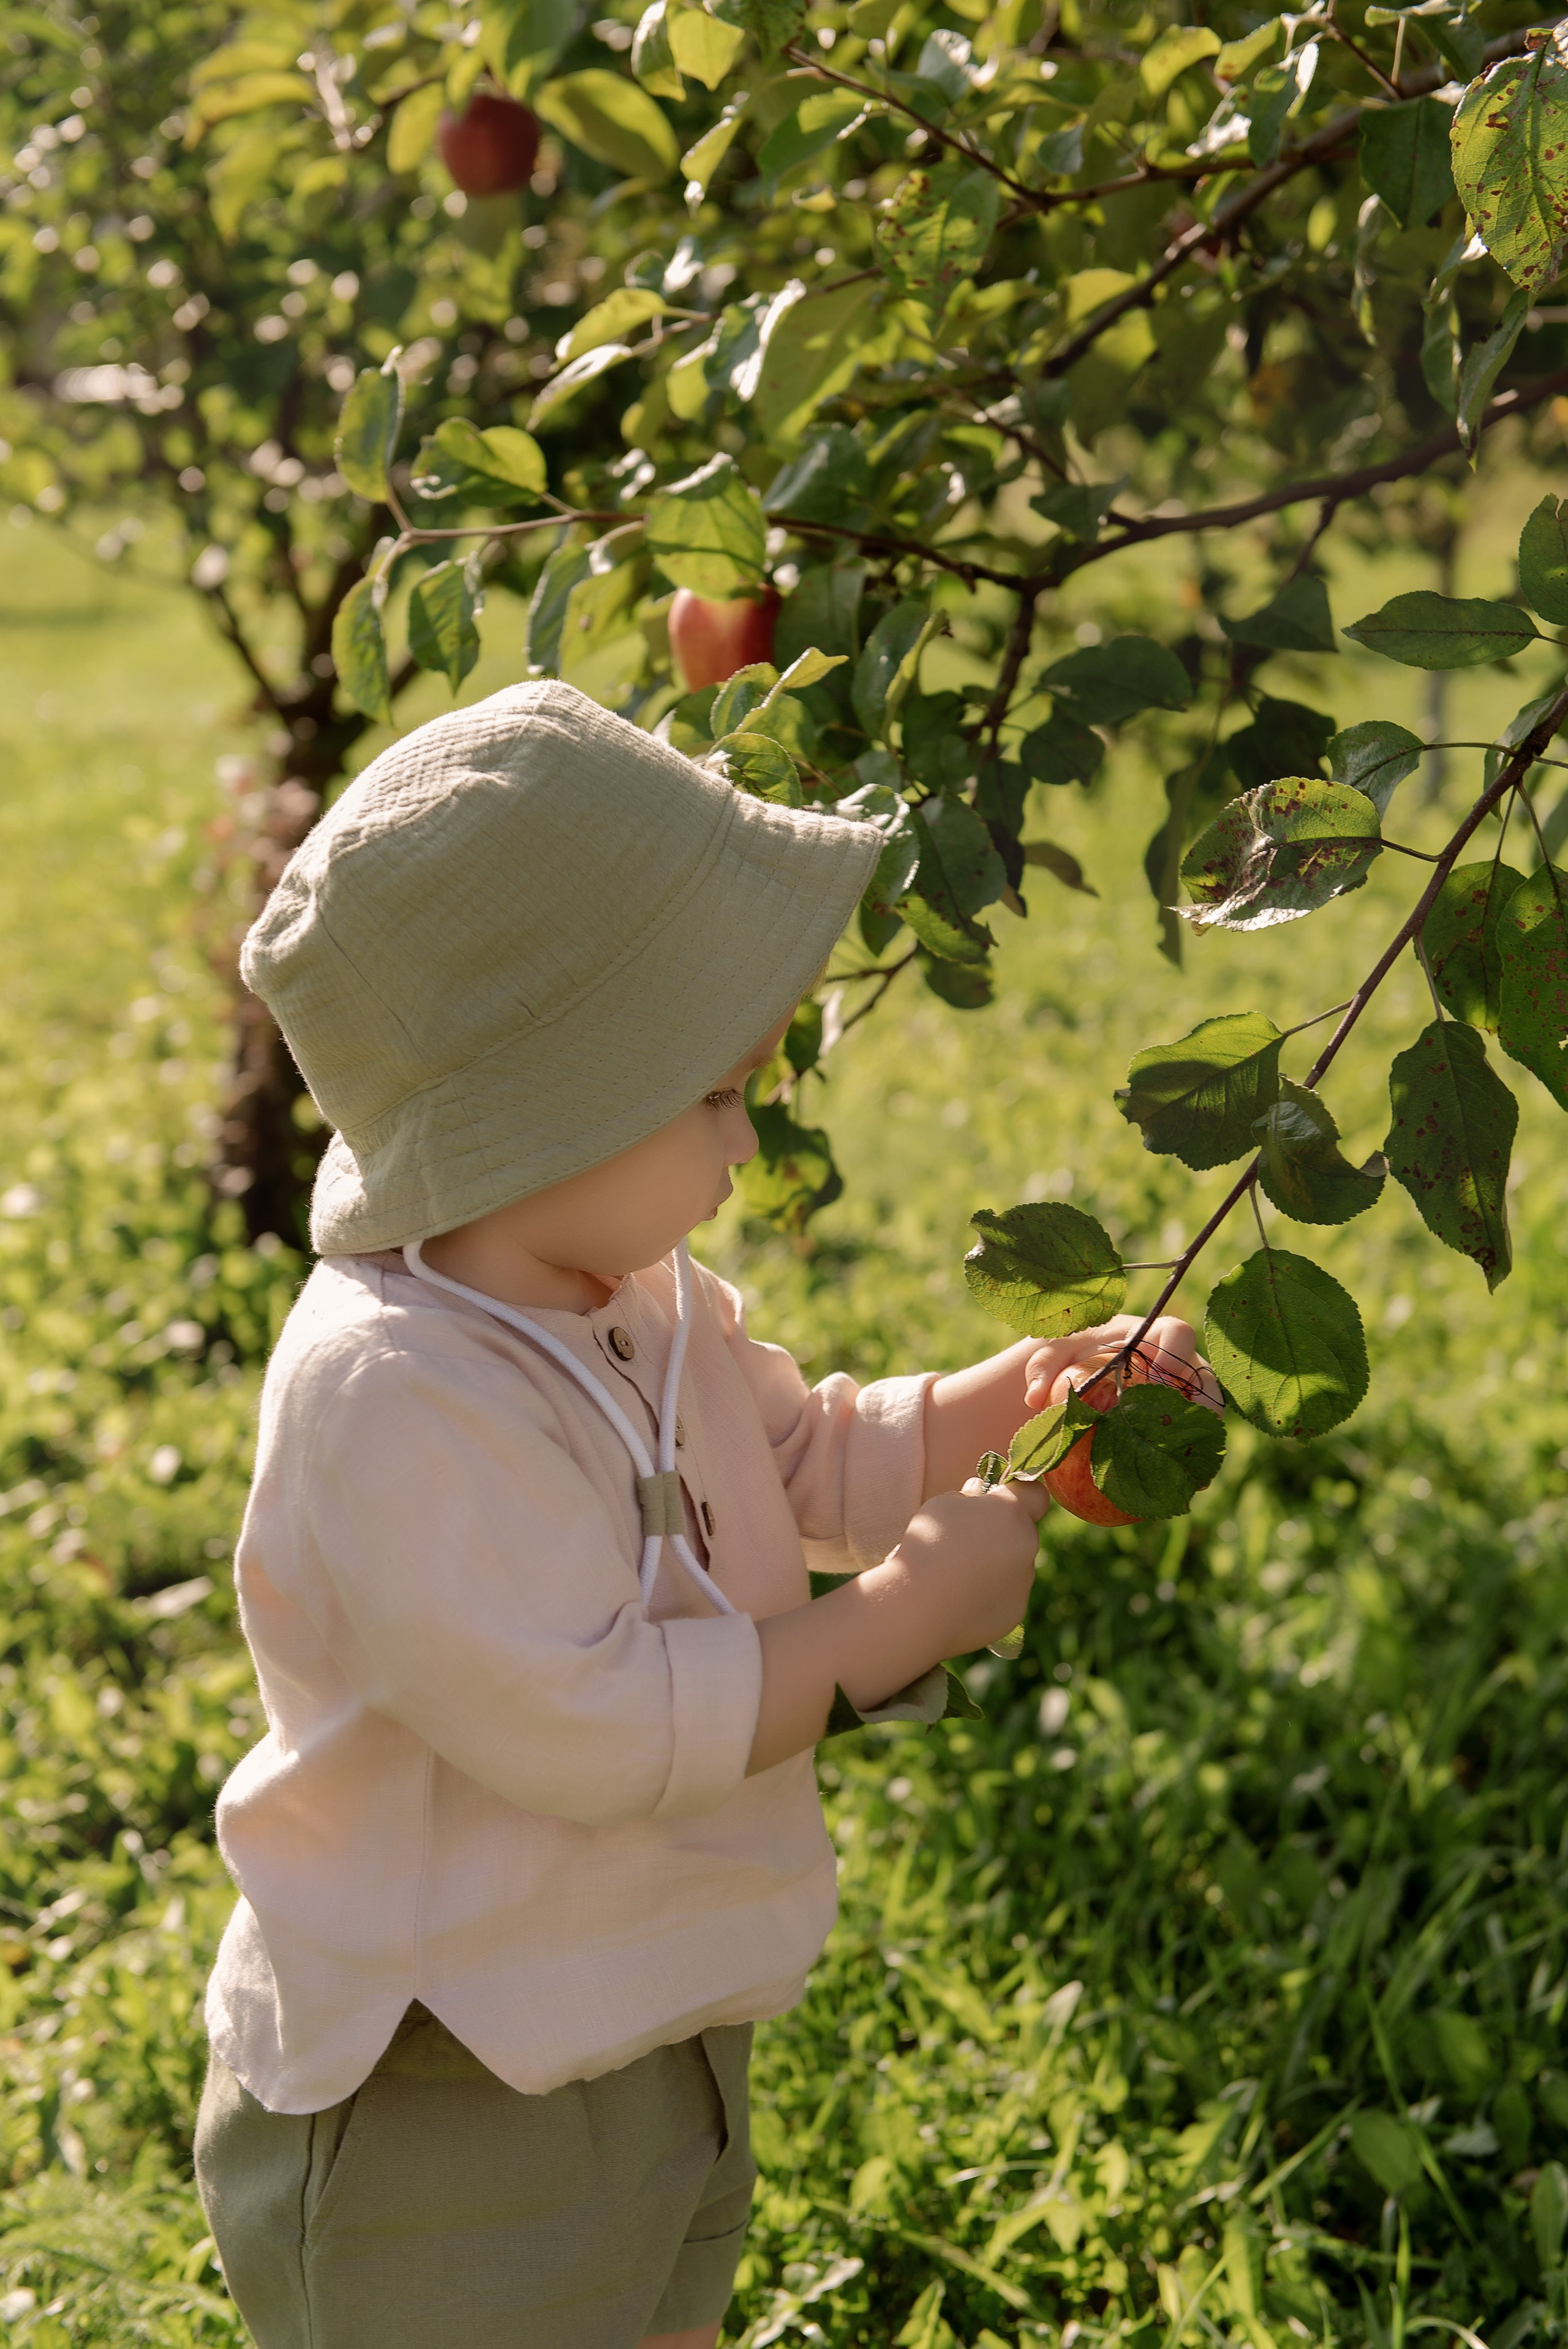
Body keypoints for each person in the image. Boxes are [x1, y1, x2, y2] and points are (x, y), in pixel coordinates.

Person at [193, 680, 1208, 2349]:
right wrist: (885, 1630)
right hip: (444, 2088)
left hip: (650, 2014)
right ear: (558, 1105)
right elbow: (587, 1725)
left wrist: (1010, 1396)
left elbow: (805, 1458)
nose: (747, 1141)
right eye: (717, 1095)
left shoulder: (647, 1295)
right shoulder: (398, 1396)